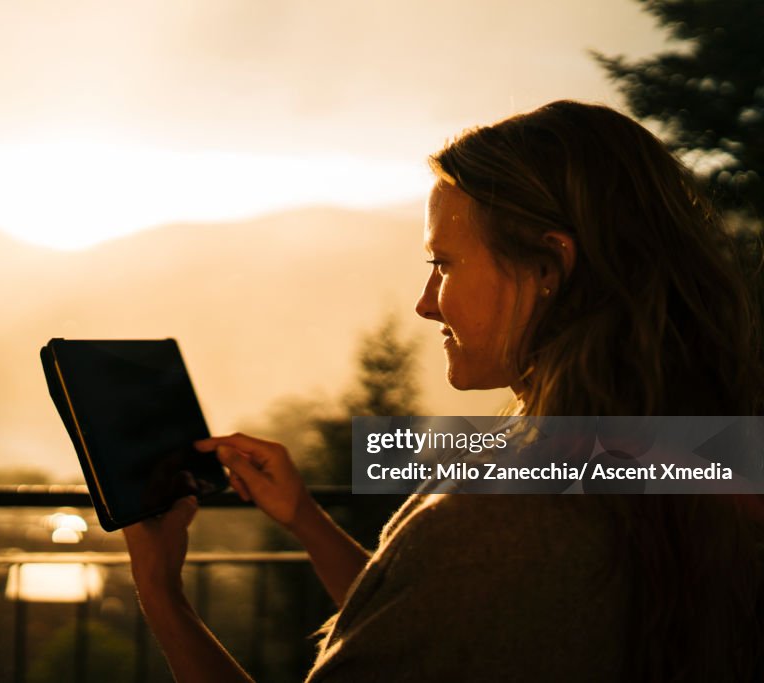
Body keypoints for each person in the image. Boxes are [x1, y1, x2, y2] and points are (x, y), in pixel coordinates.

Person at [122, 101, 764, 682]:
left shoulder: (502, 511)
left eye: (443, 264)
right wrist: (307, 521)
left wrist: (162, 594)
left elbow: (470, 568)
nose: (426, 304)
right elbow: (450, 626)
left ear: (548, 268)